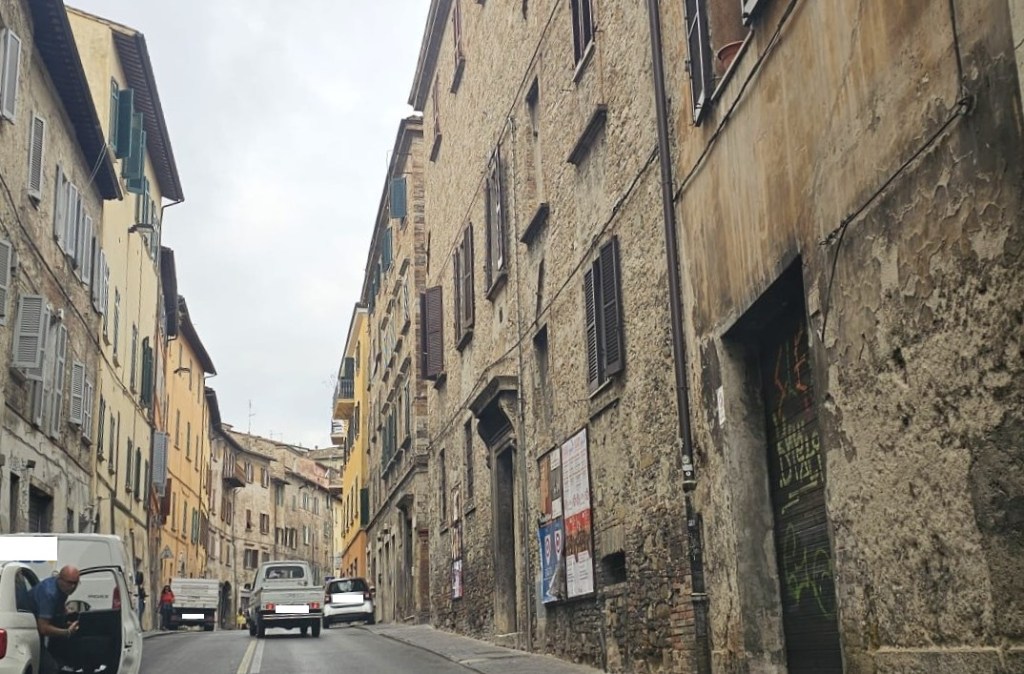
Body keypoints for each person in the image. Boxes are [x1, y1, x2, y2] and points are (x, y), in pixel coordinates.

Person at [29, 565, 81, 674]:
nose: (72, 587)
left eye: (75, 583)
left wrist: (66, 618)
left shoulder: (62, 589)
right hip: (30, 630)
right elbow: (43, 628)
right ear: (60, 579)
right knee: (49, 668)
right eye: (69, 582)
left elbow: (58, 608)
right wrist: (67, 632)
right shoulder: (49, 593)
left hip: (37, 629)